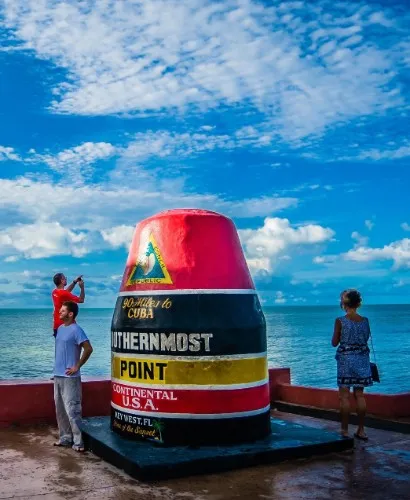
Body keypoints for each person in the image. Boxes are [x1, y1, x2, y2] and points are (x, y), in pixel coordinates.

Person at [332, 289, 372, 441]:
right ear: (358, 303)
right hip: (362, 359)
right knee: (360, 395)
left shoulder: (340, 321)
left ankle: (344, 430)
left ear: (344, 303)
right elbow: (365, 339)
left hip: (345, 361)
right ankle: (361, 430)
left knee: (344, 397)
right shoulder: (365, 320)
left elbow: (334, 342)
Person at [53, 301, 93, 452]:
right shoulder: (59, 329)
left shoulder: (77, 330)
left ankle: (78, 443)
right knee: (60, 410)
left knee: (73, 410)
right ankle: (65, 438)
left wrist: (77, 366)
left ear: (71, 314)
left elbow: (88, 349)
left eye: (63, 311)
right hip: (58, 376)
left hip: (71, 377)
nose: (60, 312)